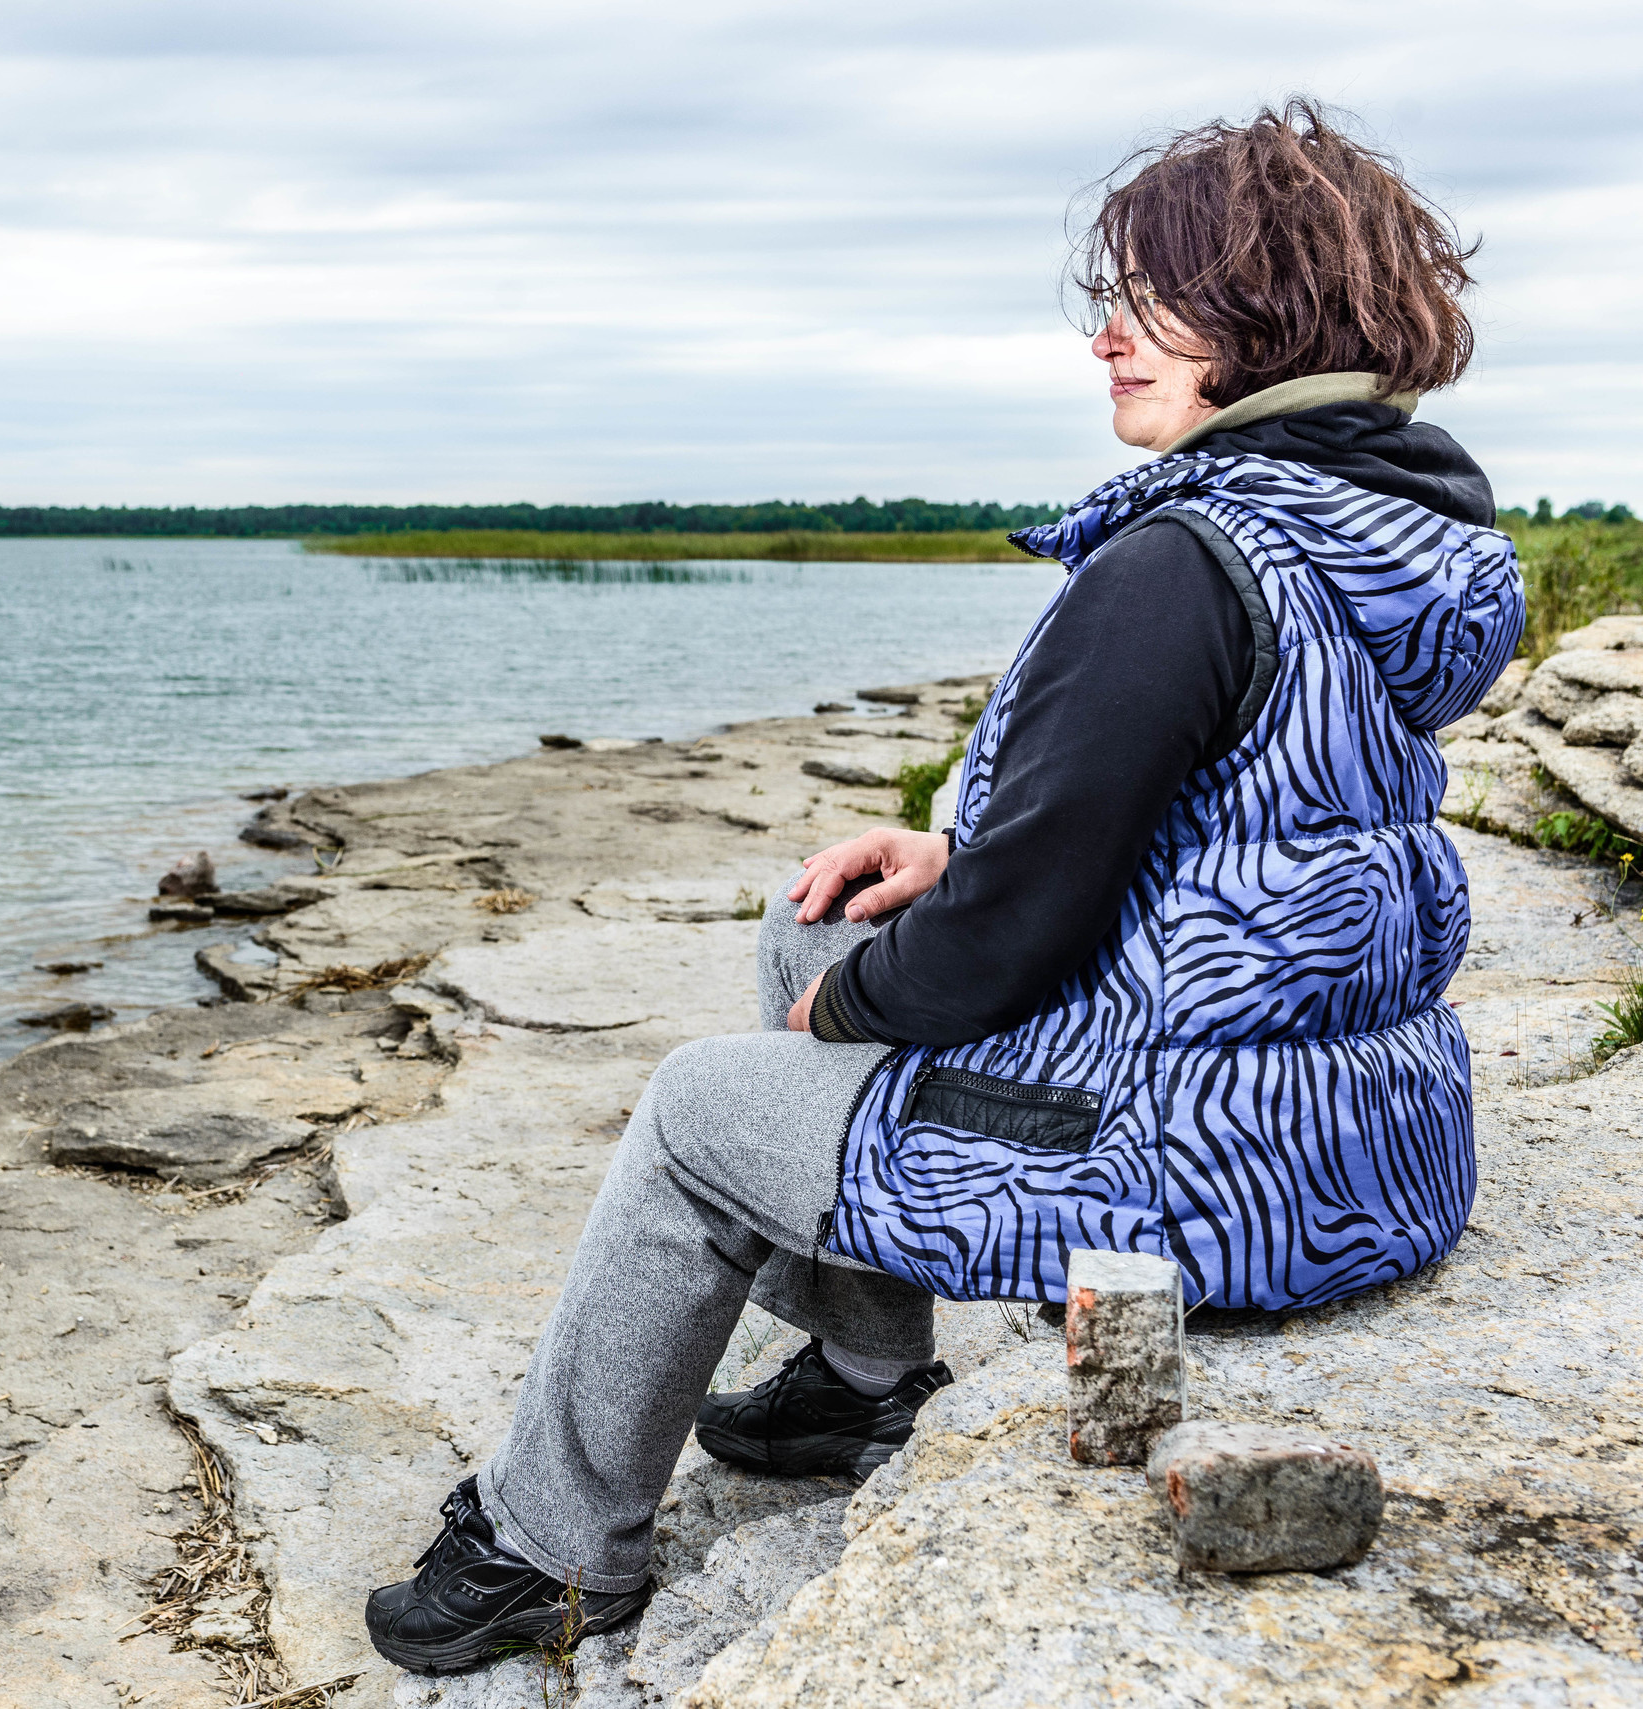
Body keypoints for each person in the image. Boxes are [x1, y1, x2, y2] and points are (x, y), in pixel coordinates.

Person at [364, 98, 1522, 1676]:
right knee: (814, 914)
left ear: (1265, 314)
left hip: (1187, 1180)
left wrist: (857, 1001)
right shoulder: (1373, 529)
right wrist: (946, 858)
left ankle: (547, 1549)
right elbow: (1251, 817)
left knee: (707, 1104)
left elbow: (1012, 943)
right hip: (1346, 1140)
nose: (1107, 336)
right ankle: (862, 1369)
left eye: (1151, 297)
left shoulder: (1182, 564)